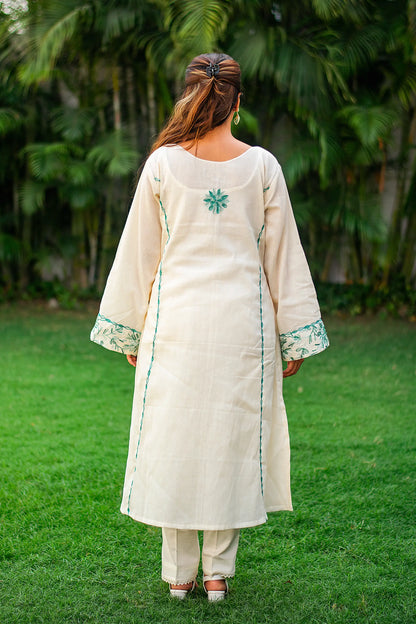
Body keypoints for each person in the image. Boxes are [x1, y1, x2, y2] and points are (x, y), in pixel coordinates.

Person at [90, 52, 329, 601]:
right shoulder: (262, 166)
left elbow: (139, 255)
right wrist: (294, 334)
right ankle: (218, 574)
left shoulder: (163, 164)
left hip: (175, 324)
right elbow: (283, 258)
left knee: (174, 440)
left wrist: (132, 331)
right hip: (244, 328)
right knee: (231, 439)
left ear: (189, 96)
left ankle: (179, 575)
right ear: (237, 104)